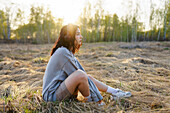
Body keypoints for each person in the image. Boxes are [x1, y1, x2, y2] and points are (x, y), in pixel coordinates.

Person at [42, 24, 131, 105]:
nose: (81, 36)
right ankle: (93, 103)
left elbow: (86, 78)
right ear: (69, 37)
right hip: (51, 97)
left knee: (87, 77)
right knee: (80, 75)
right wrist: (98, 99)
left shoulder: (68, 53)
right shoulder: (62, 52)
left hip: (60, 92)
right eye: (77, 34)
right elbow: (80, 75)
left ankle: (115, 92)